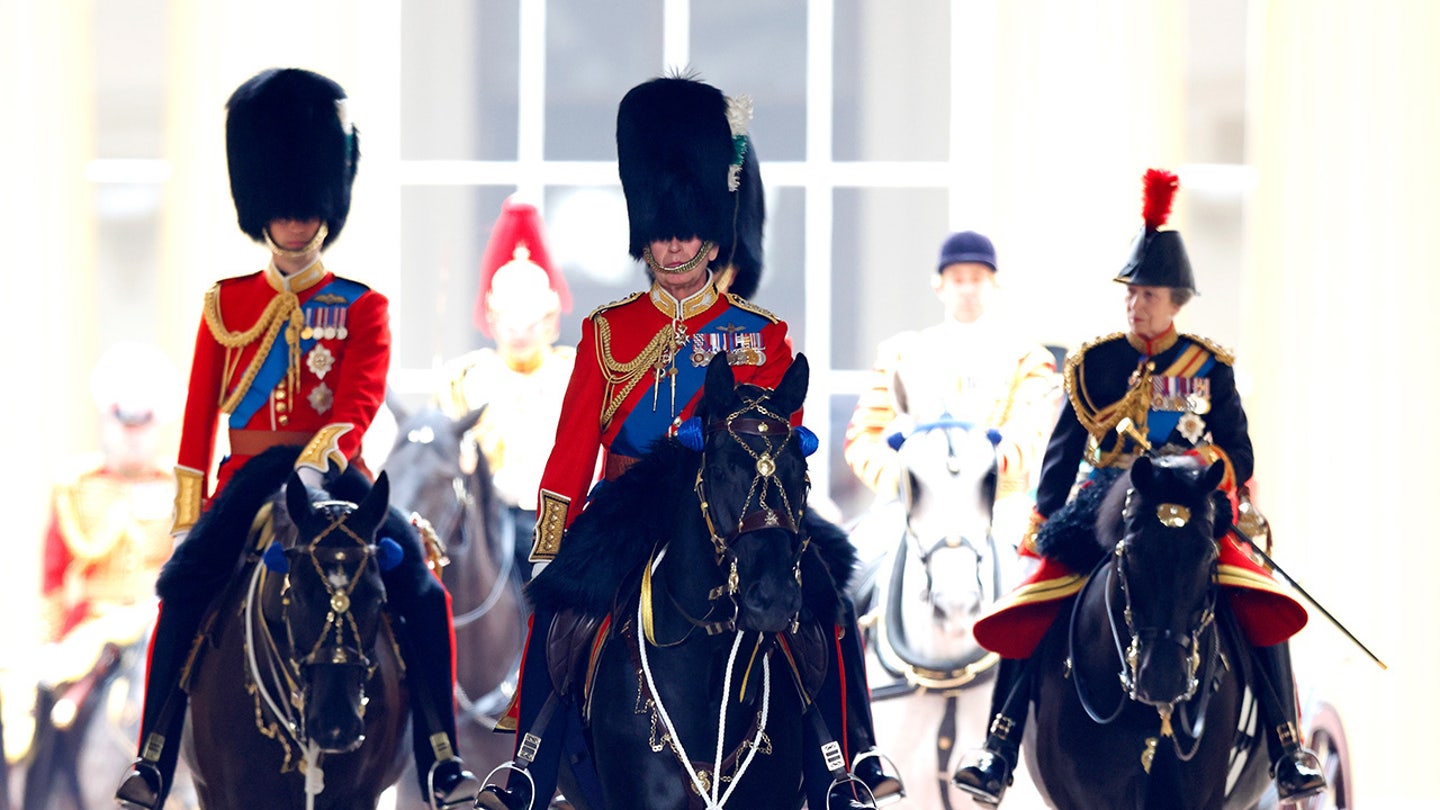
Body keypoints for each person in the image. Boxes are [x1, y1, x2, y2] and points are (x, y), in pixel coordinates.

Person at [476, 75, 901, 810]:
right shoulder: (609, 331)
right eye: (661, 233)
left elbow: (790, 433)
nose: (672, 246)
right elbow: (573, 448)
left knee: (824, 592)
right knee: (559, 605)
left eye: (687, 232)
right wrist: (555, 538)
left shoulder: (760, 333)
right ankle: (531, 764)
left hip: (737, 500)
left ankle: (846, 758)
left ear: (713, 234)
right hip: (631, 503)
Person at [114, 68, 479, 810]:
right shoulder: (228, 302)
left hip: (337, 473)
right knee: (182, 590)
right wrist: (190, 509)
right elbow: (196, 414)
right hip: (249, 476)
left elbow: (359, 398)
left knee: (419, 589)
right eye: (281, 210)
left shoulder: (361, 306)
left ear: (325, 207)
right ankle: (154, 756)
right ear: (263, 213)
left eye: (305, 209)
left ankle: (440, 755)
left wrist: (319, 462)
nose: (294, 223)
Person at [950, 169, 1325, 805]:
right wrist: (1043, 517)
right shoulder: (1093, 363)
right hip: (1105, 503)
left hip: (1191, 501)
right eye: (1130, 293)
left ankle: (1287, 745)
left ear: (1176, 301)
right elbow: (1064, 454)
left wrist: (1203, 464)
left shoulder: (1210, 367)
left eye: (1148, 294)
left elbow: (1237, 451)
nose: (1135, 304)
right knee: (1035, 596)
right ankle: (1000, 744)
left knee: (1257, 594)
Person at [843, 230, 1057, 544]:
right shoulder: (900, 353)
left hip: (1001, 507)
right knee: (855, 567)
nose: (968, 288)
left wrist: (975, 479)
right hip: (912, 505)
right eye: (958, 279)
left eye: (978, 278)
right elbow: (863, 437)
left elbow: (1029, 435)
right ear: (939, 285)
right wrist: (903, 480)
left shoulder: (1030, 358)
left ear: (994, 283)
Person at [435, 196, 575, 581]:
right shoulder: (465, 379)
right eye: (509, 324)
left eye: (529, 324)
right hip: (488, 527)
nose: (519, 335)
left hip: (562, 525)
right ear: (493, 318)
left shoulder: (573, 374)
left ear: (548, 321)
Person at [43, 342, 180, 645]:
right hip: (91, 632)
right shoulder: (75, 486)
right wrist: (51, 645)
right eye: (125, 425)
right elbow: (53, 580)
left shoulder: (179, 488)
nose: (133, 438)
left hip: (157, 624)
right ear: (107, 422)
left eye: (142, 426)